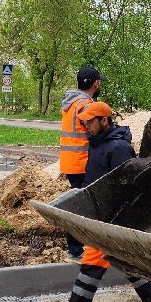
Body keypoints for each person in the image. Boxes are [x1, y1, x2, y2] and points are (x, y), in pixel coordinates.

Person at [48, 100, 151, 302]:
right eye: (83, 122)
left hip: (115, 217)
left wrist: (117, 218)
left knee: (91, 266)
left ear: (104, 120)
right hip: (102, 213)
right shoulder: (97, 144)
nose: (85, 127)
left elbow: (127, 187)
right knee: (125, 259)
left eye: (89, 122)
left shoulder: (118, 148)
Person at [58, 65, 102, 261]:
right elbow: (96, 131)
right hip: (82, 162)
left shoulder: (71, 103)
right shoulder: (85, 105)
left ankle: (77, 248)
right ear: (96, 83)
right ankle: (75, 250)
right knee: (83, 207)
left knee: (80, 204)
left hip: (71, 162)